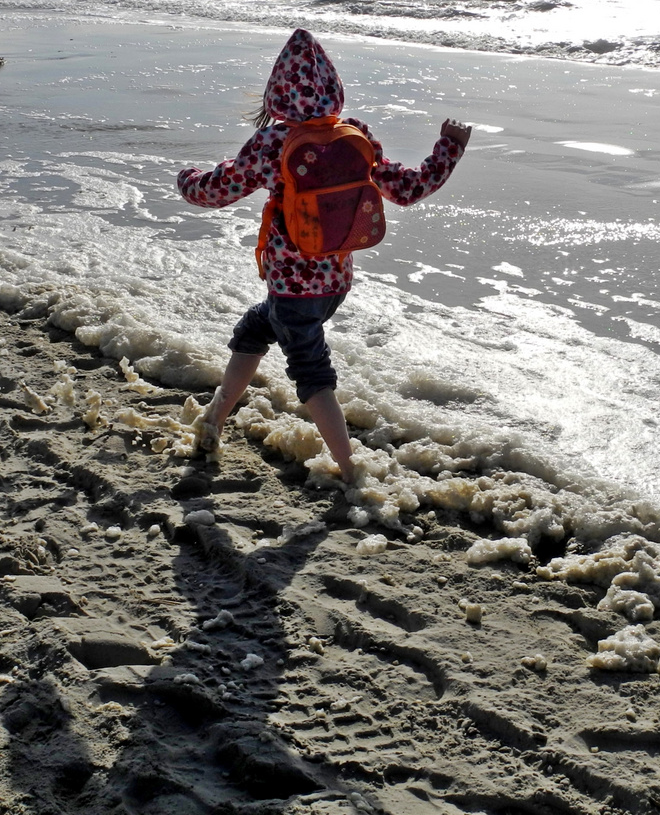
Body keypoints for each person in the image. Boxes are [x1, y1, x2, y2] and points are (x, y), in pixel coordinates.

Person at [176, 29, 471, 483]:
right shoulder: (356, 135)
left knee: (311, 371)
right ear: (333, 86)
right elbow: (409, 189)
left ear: (277, 92)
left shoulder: (272, 143)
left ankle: (351, 469)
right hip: (335, 283)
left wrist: (186, 179)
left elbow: (218, 190)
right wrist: (448, 149)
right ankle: (214, 420)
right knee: (254, 329)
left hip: (291, 287)